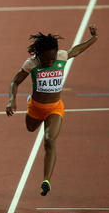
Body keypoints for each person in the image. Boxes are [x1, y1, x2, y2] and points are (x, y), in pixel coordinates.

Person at [6, 25, 98, 196]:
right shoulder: (31, 64)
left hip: (55, 108)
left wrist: (93, 38)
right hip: (35, 108)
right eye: (48, 60)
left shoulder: (61, 56)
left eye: (53, 58)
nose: (51, 62)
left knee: (50, 140)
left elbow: (76, 50)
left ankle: (46, 180)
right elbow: (15, 82)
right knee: (31, 128)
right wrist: (12, 101)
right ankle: (30, 103)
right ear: (39, 55)